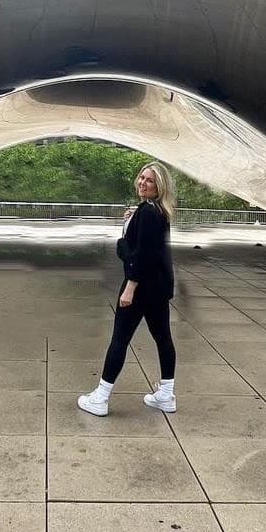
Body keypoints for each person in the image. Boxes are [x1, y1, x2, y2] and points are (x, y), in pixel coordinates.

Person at [78, 161, 177, 416]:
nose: (143, 182)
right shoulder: (158, 211)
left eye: (149, 180)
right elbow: (151, 250)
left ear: (159, 186)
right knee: (163, 338)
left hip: (140, 286)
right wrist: (130, 224)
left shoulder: (146, 213)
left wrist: (129, 287)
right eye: (142, 178)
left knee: (119, 340)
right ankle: (166, 394)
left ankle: (100, 398)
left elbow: (140, 254)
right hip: (158, 288)